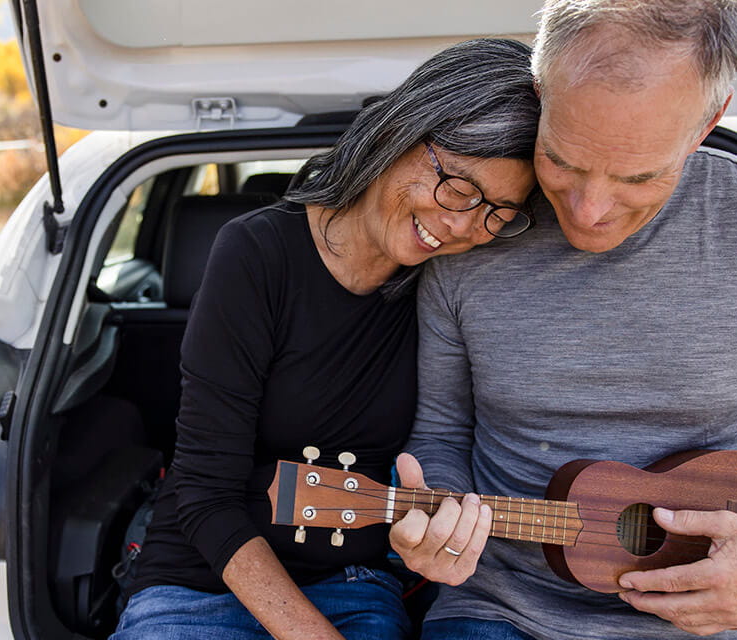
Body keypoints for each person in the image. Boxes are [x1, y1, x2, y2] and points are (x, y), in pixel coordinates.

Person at [390, 2, 737, 639]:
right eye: (564, 162)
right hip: (499, 613)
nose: (589, 209)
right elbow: (441, 435)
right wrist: (436, 523)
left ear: (708, 122)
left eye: (638, 176)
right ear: (539, 90)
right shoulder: (472, 231)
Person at [110, 39, 541, 640]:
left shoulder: (448, 284)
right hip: (198, 580)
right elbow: (206, 494)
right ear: (401, 133)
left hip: (352, 582)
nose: (463, 226)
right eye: (459, 189)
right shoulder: (256, 254)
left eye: (496, 211)